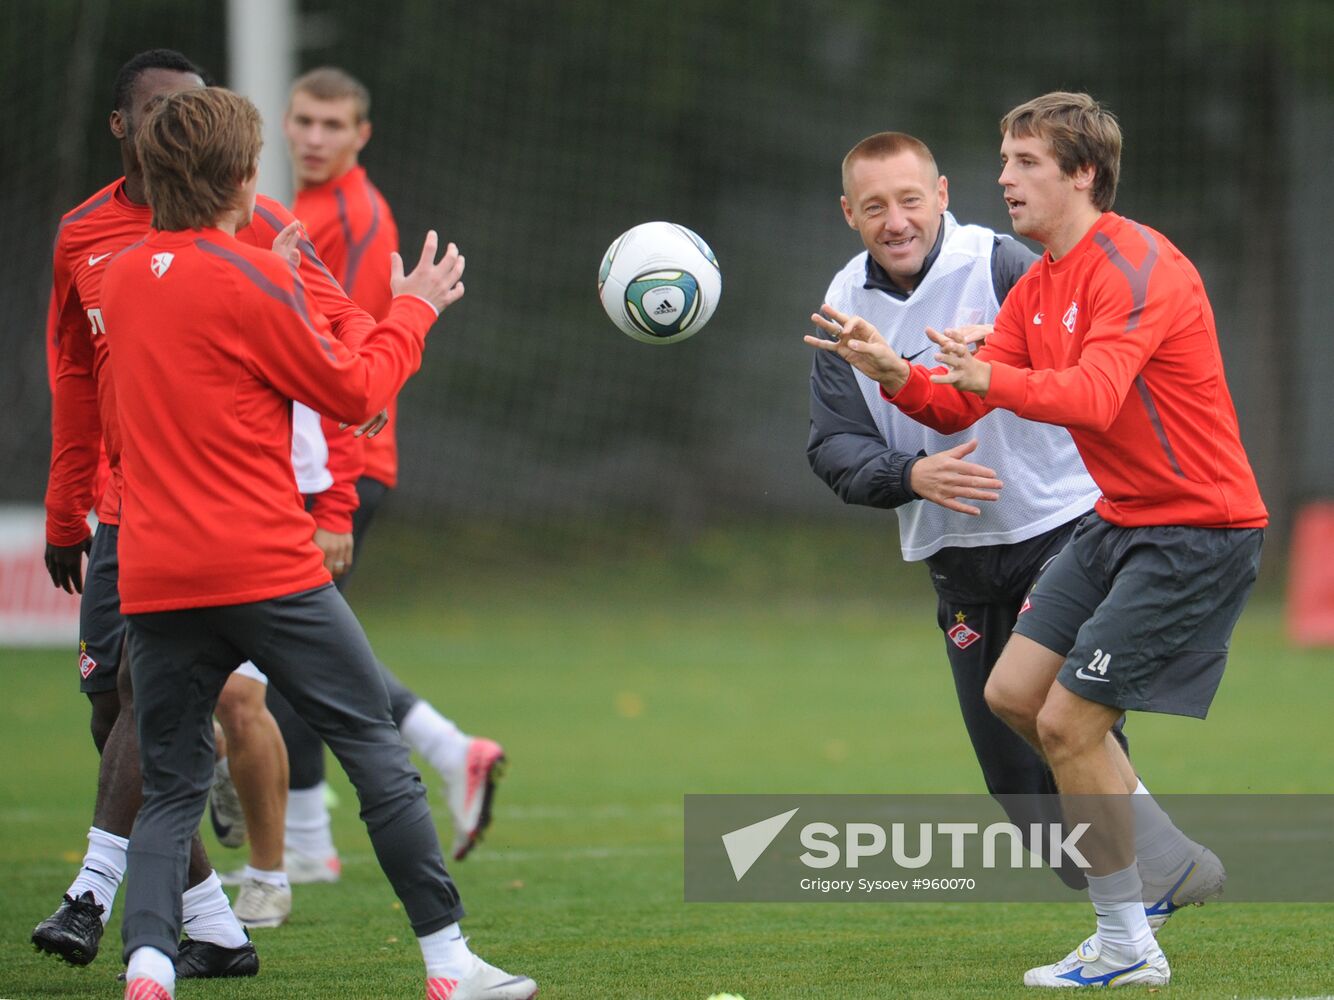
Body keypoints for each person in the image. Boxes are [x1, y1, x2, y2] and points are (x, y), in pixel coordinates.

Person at [810, 92, 1265, 988]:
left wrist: (993, 370)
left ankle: (1128, 941)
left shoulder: (1136, 264)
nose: (1004, 178)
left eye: (1024, 162)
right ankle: (1163, 869)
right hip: (1122, 518)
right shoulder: (1048, 278)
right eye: (1005, 160)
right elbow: (957, 401)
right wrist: (895, 370)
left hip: (1195, 526)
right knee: (1015, 694)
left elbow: (1091, 397)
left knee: (1064, 719)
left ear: (1082, 173)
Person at [105, 85, 536, 1000]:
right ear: (243, 178)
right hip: (262, 562)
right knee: (374, 749)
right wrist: (413, 307)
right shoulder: (256, 273)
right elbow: (354, 390)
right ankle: (449, 964)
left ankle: (149, 964)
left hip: (155, 570)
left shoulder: (121, 279)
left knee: (173, 784)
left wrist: (281, 278)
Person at [212, 68, 506, 917]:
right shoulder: (295, 210)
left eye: (332, 123)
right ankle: (447, 754)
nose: (313, 136)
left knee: (295, 655)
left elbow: (356, 359)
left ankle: (310, 843)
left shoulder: (346, 219)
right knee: (301, 648)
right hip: (313, 465)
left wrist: (335, 498)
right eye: (301, 119)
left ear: (361, 135)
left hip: (336, 467)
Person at [806, 130, 1104, 887]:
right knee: (1013, 779)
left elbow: (1085, 358)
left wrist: (1001, 351)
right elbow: (833, 445)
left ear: (942, 196)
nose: (896, 220)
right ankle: (1122, 887)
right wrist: (911, 475)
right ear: (849, 214)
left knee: (1062, 719)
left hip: (1057, 529)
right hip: (956, 558)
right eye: (875, 207)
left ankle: (1134, 904)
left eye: (911, 200)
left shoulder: (1000, 262)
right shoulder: (842, 305)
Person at [34, 49, 263, 979]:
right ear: (124, 128)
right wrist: (64, 509)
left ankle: (93, 892)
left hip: (213, 513)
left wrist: (329, 496)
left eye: (196, 110)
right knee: (112, 715)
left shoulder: (252, 228)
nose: (181, 126)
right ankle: (214, 924)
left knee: (143, 698)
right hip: (118, 510)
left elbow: (332, 357)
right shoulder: (85, 236)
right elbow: (73, 375)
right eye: (163, 111)